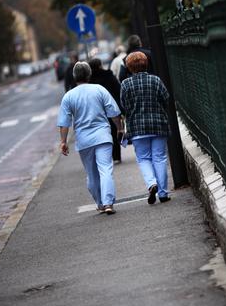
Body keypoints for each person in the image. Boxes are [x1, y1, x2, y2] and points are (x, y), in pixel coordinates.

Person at [58, 62, 123, 214]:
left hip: (84, 140)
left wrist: (63, 142)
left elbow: (64, 123)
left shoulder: (69, 96)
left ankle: (100, 203)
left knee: (92, 174)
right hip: (103, 136)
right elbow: (113, 112)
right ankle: (108, 203)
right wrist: (119, 128)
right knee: (105, 169)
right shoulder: (99, 90)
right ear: (89, 75)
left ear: (74, 77)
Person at [120, 52, 171, 204]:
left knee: (143, 158)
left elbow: (124, 105)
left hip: (137, 127)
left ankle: (151, 183)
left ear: (129, 67)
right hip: (157, 125)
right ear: (145, 64)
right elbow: (166, 99)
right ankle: (163, 193)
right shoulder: (155, 80)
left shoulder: (125, 84)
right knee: (160, 158)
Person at [88, 58, 123, 164]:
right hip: (111, 108)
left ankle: (105, 157)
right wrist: (121, 109)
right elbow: (118, 90)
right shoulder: (108, 76)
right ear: (100, 65)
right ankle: (116, 156)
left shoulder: (89, 80)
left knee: (100, 133)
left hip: (96, 111)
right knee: (114, 131)